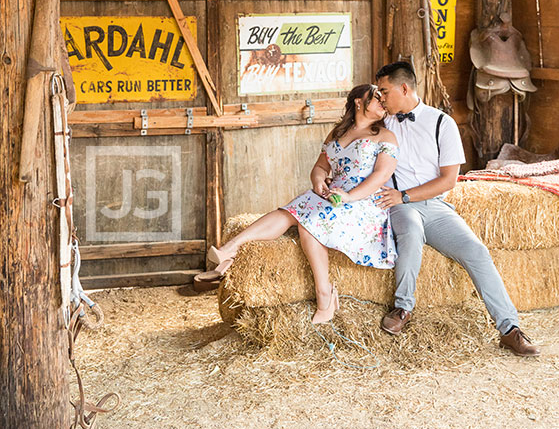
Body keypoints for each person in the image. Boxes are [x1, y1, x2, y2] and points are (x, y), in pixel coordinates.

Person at [374, 61, 540, 357]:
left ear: (403, 88)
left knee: (477, 251)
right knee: (410, 231)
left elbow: (448, 179)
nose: (381, 98)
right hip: (398, 206)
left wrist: (406, 195)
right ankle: (402, 308)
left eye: (384, 91)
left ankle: (509, 329)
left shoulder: (441, 123)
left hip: (432, 205)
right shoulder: (380, 123)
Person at [207, 83, 399, 323]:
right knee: (292, 208)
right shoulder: (337, 133)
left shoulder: (385, 136)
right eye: (377, 98)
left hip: (365, 202)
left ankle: (324, 295)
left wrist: (350, 196)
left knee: (308, 223)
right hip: (335, 195)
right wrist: (319, 181)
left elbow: (380, 176)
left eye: (384, 100)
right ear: (359, 102)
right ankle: (229, 250)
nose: (383, 104)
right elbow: (320, 167)